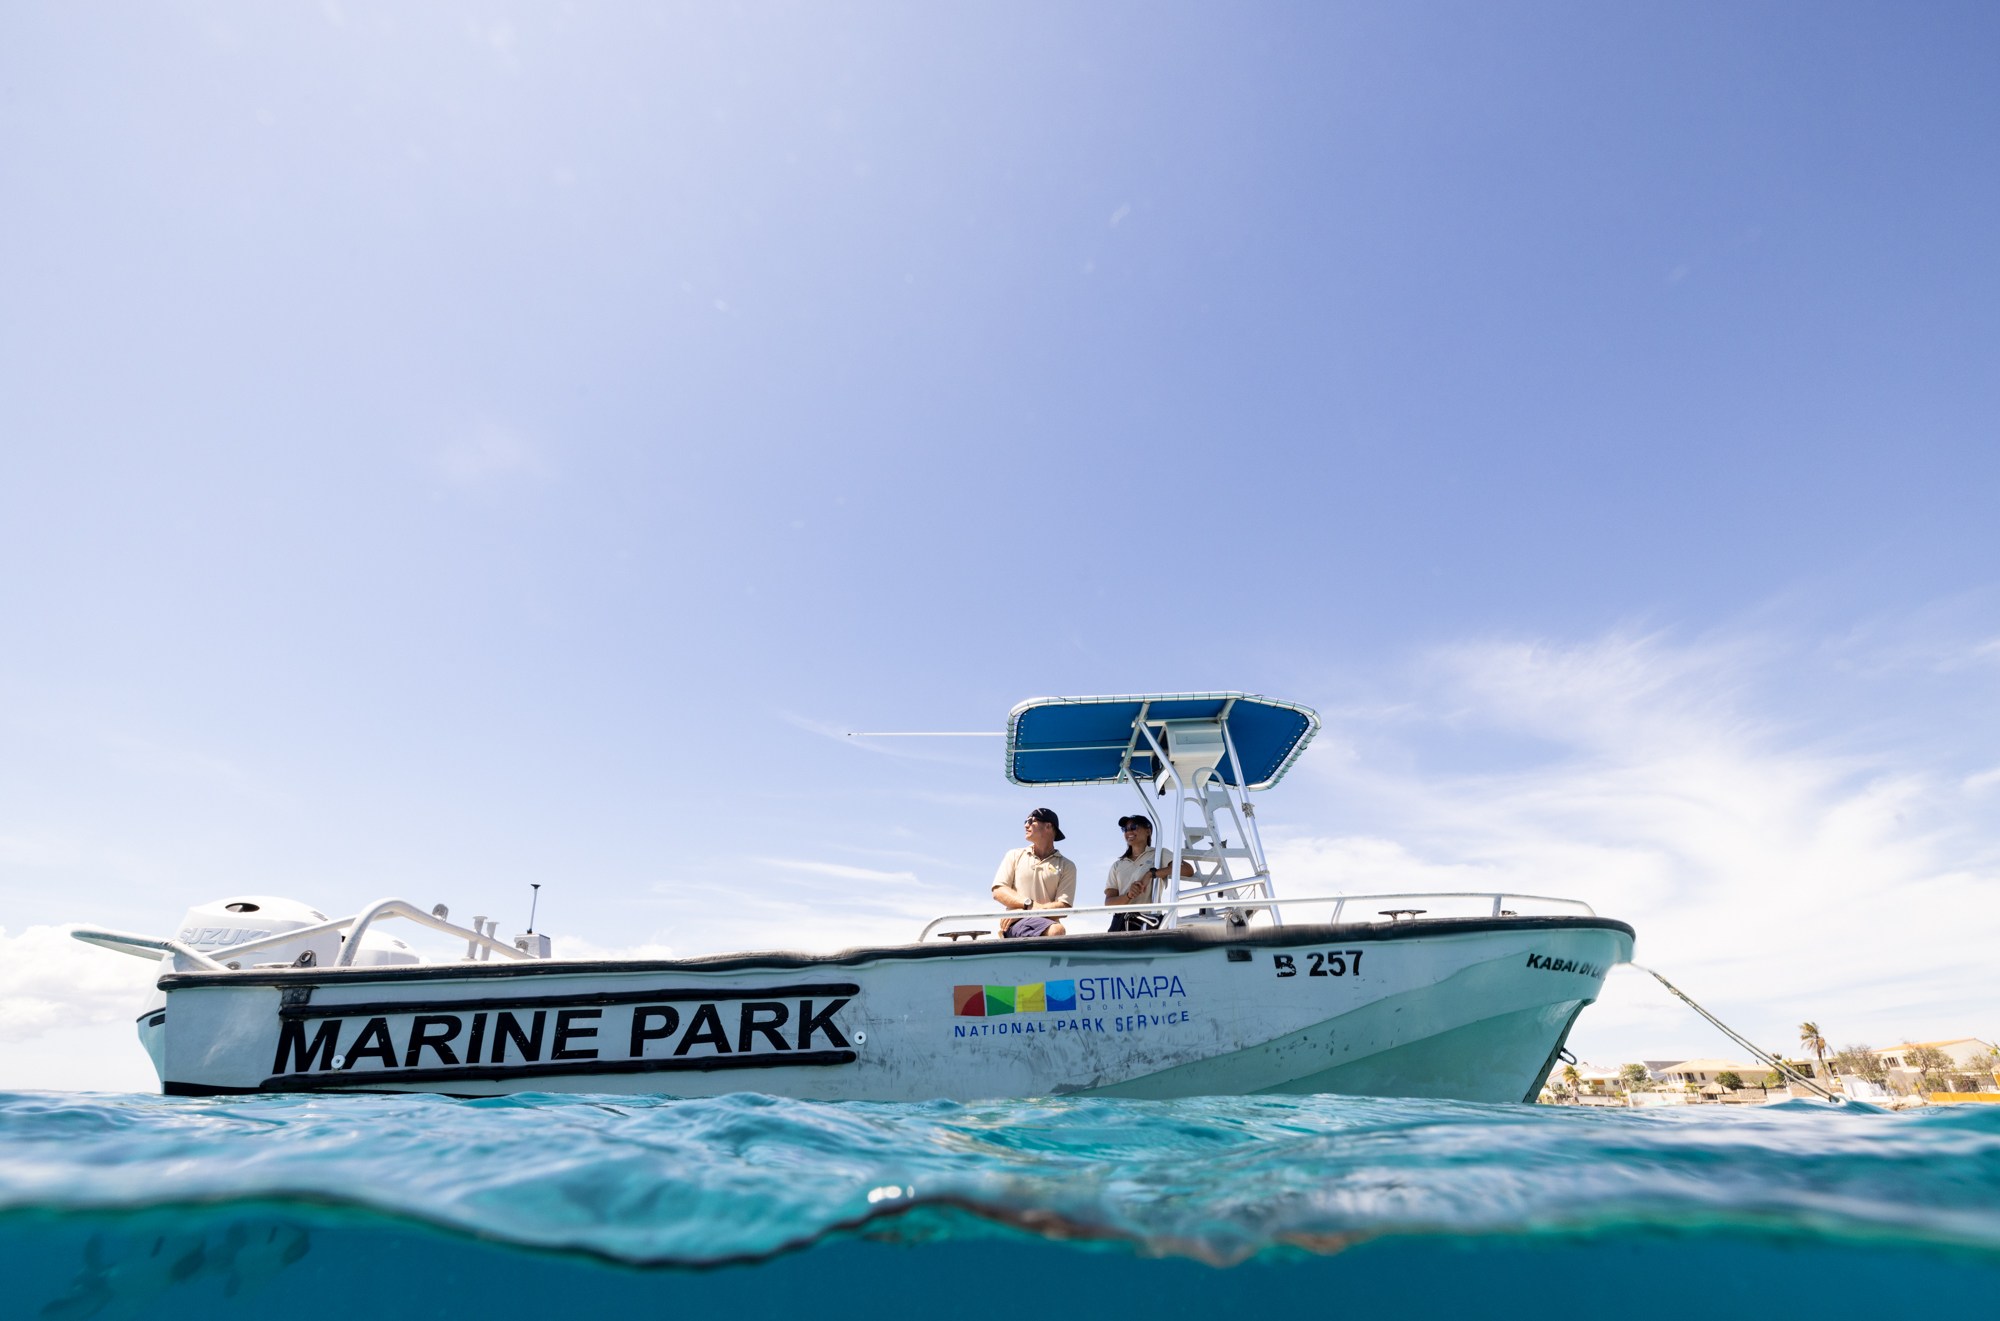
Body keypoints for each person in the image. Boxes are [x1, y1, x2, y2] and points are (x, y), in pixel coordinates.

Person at [992, 807, 1077, 938]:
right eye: (1025, 821)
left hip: (1044, 925)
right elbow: (998, 891)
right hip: (1017, 924)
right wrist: (1029, 905)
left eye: (1032, 821)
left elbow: (1063, 906)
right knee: (1057, 931)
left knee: (1056, 931)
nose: (1026, 825)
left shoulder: (1067, 866)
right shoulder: (1014, 855)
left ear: (1048, 826)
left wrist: (1026, 912)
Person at [1104, 815, 1191, 932]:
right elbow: (1109, 904)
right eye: (1125, 829)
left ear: (1148, 831)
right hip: (1120, 923)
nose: (1129, 831)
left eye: (1133, 827)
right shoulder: (1117, 865)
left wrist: (1151, 874)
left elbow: (1187, 870)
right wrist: (1129, 895)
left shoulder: (1159, 853)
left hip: (1148, 920)